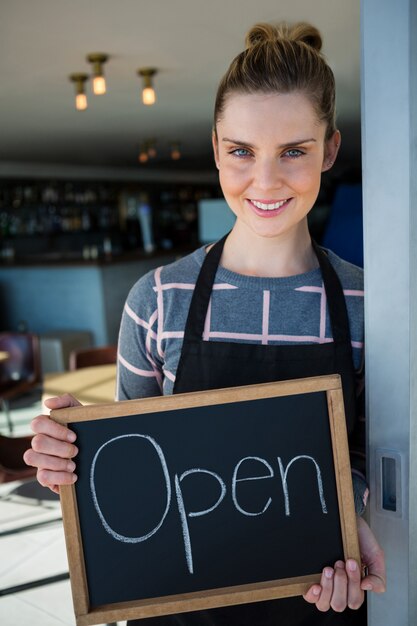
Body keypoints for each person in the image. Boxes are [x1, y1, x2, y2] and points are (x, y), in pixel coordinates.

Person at [24, 21, 385, 625]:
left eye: (293, 151)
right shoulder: (156, 299)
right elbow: (139, 474)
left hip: (317, 598)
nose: (264, 181)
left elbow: (374, 459)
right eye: (242, 151)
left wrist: (357, 521)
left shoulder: (369, 303)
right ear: (216, 148)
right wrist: (77, 455)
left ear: (329, 150)